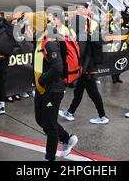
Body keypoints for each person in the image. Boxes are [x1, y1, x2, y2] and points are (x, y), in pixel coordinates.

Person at [25, 12, 78, 161]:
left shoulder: (49, 42)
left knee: (49, 125)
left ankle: (49, 157)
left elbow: (57, 68)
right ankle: (67, 139)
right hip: (42, 88)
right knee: (41, 120)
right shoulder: (40, 40)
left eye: (31, 25)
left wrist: (41, 80)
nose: (28, 28)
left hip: (52, 89)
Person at [59, 14, 109, 125]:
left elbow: (80, 54)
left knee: (94, 94)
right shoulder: (83, 34)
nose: (71, 25)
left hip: (87, 71)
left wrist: (81, 69)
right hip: (86, 70)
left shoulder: (82, 35)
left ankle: (102, 116)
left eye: (72, 23)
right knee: (78, 92)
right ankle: (70, 112)